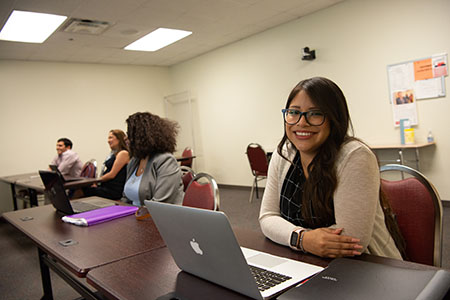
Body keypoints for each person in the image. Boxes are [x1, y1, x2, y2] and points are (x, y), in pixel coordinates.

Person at [259, 77, 405, 259]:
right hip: (304, 260)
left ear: (334, 118)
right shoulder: (284, 154)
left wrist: (289, 235)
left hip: (365, 266)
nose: (302, 122)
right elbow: (267, 217)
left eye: (315, 113)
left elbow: (352, 240)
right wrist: (302, 239)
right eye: (294, 112)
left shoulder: (355, 156)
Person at [122, 112, 184, 206]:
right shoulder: (134, 161)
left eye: (129, 134)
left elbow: (160, 204)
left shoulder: (165, 161)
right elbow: (125, 198)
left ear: (141, 136)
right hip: (136, 215)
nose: (126, 138)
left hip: (159, 217)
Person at [83, 130, 130, 200]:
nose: (108, 141)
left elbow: (112, 174)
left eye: (111, 137)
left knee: (81, 190)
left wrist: (96, 180)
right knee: (83, 188)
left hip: (113, 190)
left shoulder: (123, 153)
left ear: (119, 139)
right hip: (106, 187)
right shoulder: (114, 154)